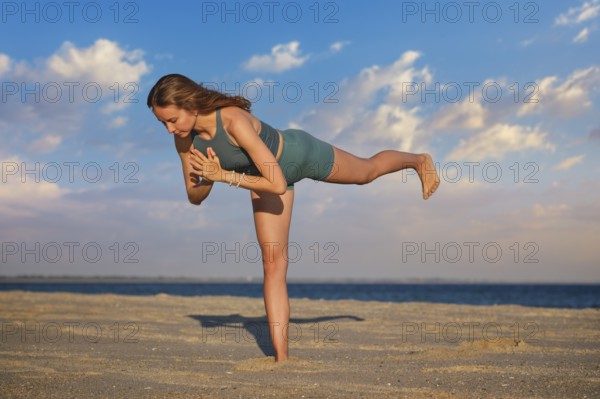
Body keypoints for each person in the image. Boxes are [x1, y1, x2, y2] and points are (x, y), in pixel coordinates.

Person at [147, 73, 440, 362]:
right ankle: (282, 359)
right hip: (260, 181)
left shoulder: (233, 120)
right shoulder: (185, 142)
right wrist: (204, 177)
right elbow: (194, 197)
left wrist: (222, 175)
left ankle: (418, 160)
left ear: (191, 105)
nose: (169, 130)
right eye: (163, 123)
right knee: (273, 264)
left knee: (366, 173)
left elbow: (275, 180)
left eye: (172, 120)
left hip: (298, 155)